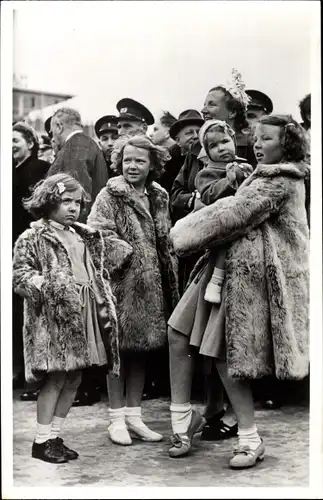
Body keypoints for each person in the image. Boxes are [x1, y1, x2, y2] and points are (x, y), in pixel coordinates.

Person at [167, 114, 309, 469]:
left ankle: (250, 438)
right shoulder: (259, 174)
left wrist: (181, 233)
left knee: (224, 352)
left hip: (247, 276)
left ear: (286, 145)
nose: (258, 143)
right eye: (257, 138)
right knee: (178, 333)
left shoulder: (281, 179)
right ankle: (183, 420)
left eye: (268, 139)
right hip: (220, 268)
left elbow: (234, 214)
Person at [12, 173, 121, 463]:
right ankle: (40, 440)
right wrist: (49, 287)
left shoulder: (83, 234)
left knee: (75, 376)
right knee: (57, 377)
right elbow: (20, 275)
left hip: (85, 310)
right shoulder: (34, 236)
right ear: (49, 202)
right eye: (66, 201)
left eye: (78, 203)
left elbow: (95, 269)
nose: (73, 208)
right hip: (55, 317)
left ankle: (55, 436)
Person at [88, 135, 179, 446]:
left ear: (152, 164)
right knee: (119, 352)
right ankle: (116, 419)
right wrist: (128, 255)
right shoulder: (109, 195)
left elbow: (165, 237)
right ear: (119, 162)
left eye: (140, 160)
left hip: (153, 288)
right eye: (127, 160)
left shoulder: (159, 195)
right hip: (122, 285)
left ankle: (135, 416)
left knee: (142, 351)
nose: (132, 165)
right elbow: (97, 235)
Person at [195, 120, 253, 304]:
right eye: (213, 146)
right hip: (222, 221)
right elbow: (208, 195)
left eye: (225, 141)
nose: (221, 148)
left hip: (246, 219)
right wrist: (228, 180)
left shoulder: (245, 165)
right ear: (207, 150)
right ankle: (216, 281)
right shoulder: (207, 172)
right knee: (223, 248)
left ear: (234, 141)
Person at [12, 121, 50, 398]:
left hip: (31, 249)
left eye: (16, 140)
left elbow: (37, 211)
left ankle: (35, 380)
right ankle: (22, 374)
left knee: (33, 313)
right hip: (16, 248)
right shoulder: (14, 169)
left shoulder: (36, 169)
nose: (11, 145)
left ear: (31, 142)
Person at [47, 108, 108, 215]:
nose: (53, 139)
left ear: (59, 126)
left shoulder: (73, 148)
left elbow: (76, 200)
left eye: (52, 133)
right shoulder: (89, 144)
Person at [149, 111, 183, 196]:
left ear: (168, 133)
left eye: (155, 129)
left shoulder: (178, 158)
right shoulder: (164, 157)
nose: (150, 134)